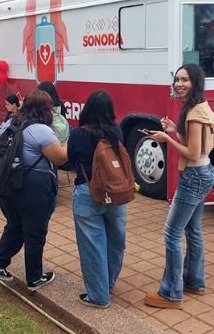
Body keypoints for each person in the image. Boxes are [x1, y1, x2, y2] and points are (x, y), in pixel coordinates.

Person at [143, 63, 214, 310]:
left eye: (184, 79)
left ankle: (171, 292)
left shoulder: (194, 114)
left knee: (172, 232)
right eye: (177, 79)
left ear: (195, 82)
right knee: (193, 229)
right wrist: (176, 131)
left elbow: (193, 154)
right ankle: (195, 282)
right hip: (204, 173)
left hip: (194, 175)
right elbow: (197, 146)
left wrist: (166, 139)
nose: (179, 84)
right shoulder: (201, 107)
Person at [0, 90, 68, 292]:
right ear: (47, 109)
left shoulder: (11, 123)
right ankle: (34, 278)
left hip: (8, 185)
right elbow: (59, 158)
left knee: (14, 226)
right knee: (35, 233)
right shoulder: (41, 130)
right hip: (32, 189)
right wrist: (67, 142)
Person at [67, 90, 126, 309]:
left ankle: (99, 296)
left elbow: (71, 160)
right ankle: (108, 284)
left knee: (93, 245)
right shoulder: (116, 132)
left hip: (87, 192)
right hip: (116, 193)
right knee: (115, 241)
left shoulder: (78, 134)